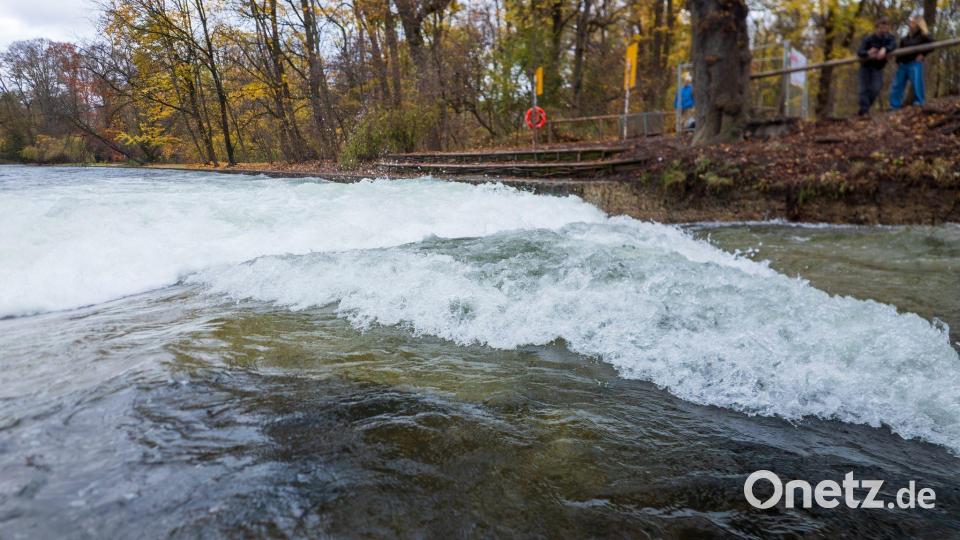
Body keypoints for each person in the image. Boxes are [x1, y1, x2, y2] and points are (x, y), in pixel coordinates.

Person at [890, 16, 934, 109]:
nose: (910, 24)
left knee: (917, 82)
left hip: (914, 62)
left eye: (912, 22)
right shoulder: (906, 38)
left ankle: (919, 102)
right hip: (903, 64)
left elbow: (932, 45)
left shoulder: (923, 35)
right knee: (897, 84)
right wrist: (898, 61)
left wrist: (923, 54)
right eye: (910, 22)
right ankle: (894, 105)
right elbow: (900, 49)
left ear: (918, 24)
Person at [856, 18, 897, 116]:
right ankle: (864, 111)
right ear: (877, 28)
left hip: (878, 68)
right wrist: (868, 53)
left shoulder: (889, 38)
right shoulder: (868, 39)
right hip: (865, 67)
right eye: (881, 27)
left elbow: (893, 45)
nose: (883, 29)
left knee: (876, 88)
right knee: (863, 89)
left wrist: (885, 49)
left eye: (886, 27)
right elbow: (860, 52)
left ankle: (864, 108)